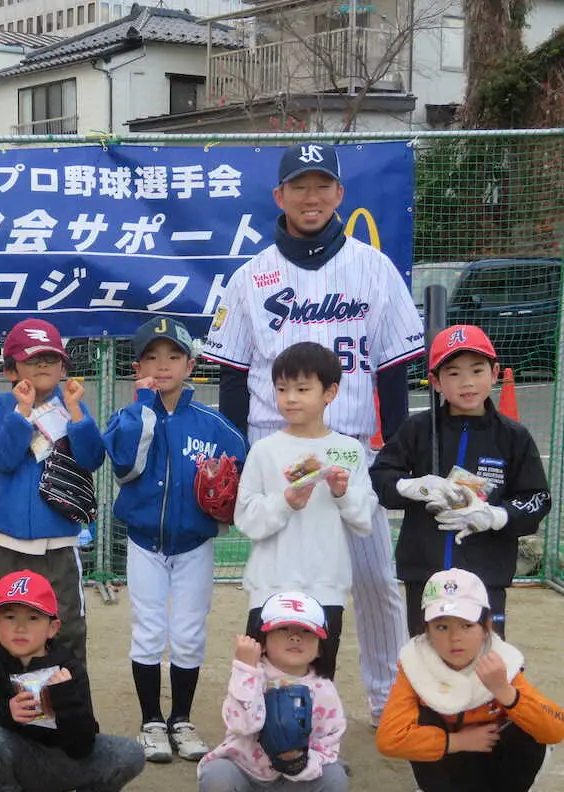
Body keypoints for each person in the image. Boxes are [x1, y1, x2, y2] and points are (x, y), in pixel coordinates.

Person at [202, 142, 425, 725]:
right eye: (299, 185)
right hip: (275, 452)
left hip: (352, 449)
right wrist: (239, 454)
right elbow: (230, 372)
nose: (311, 196)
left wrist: (394, 453)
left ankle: (387, 698)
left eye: (322, 185)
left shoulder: (373, 268)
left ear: (339, 195)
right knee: (282, 583)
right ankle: (278, 699)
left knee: (376, 581)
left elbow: (395, 366)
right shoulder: (252, 276)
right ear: (279, 196)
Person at [102, 316, 246, 763]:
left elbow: (241, 472)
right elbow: (127, 466)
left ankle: (180, 719)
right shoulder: (127, 417)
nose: (162, 365)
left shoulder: (214, 425)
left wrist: (228, 505)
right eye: (151, 356)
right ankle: (151, 721)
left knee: (187, 634)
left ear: (190, 365)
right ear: (137, 365)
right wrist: (144, 407)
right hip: (145, 542)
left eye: (173, 356)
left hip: (194, 544)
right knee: (148, 632)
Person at [370, 325, 551, 638]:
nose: (467, 382)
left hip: (486, 576)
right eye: (453, 373)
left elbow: (537, 498)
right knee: (427, 664)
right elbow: (380, 478)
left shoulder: (513, 437)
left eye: (477, 370)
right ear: (436, 381)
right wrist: (414, 486)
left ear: (494, 373)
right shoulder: (418, 429)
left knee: (484, 663)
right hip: (426, 575)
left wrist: (494, 516)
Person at [375, 568, 564, 792]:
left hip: (495, 763)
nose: (455, 639)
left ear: (486, 627)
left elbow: (556, 729)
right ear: (425, 630)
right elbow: (389, 739)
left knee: (527, 722)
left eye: (466, 625)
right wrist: (457, 741)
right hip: (446, 765)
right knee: (423, 714)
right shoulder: (415, 665)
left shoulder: (503, 663)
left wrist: (504, 691)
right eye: (442, 627)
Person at [0, 569, 145, 792]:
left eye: (33, 618)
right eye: (9, 617)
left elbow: (83, 744)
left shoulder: (68, 664)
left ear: (52, 627)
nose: (20, 628)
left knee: (131, 753)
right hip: (18, 758)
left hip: (69, 759)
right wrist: (6, 711)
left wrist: (65, 698)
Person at [234, 342, 377, 679]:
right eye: (282, 389)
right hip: (270, 585)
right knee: (261, 678)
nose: (291, 398)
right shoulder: (264, 450)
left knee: (319, 679)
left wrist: (342, 494)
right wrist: (286, 502)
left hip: (325, 586)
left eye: (302, 389)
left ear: (330, 392)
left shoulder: (348, 450)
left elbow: (364, 519)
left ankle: (320, 733)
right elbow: (246, 518)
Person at [0, 318, 105, 662]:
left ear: (63, 365)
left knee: (67, 627)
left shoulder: (74, 405)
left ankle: (67, 706)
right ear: (10, 370)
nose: (44, 366)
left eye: (51, 359)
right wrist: (22, 412)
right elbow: (3, 457)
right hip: (8, 545)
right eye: (33, 359)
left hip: (60, 545)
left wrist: (78, 414)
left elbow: (92, 458)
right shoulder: (1, 406)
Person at [196, 591, 349, 792]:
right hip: (243, 773)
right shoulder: (251, 675)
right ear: (262, 642)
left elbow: (328, 743)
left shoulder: (324, 690)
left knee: (336, 777)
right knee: (215, 776)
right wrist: (245, 668)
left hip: (293, 780)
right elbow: (242, 724)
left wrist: (298, 762)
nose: (295, 637)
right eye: (282, 630)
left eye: (306, 632)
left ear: (320, 646)